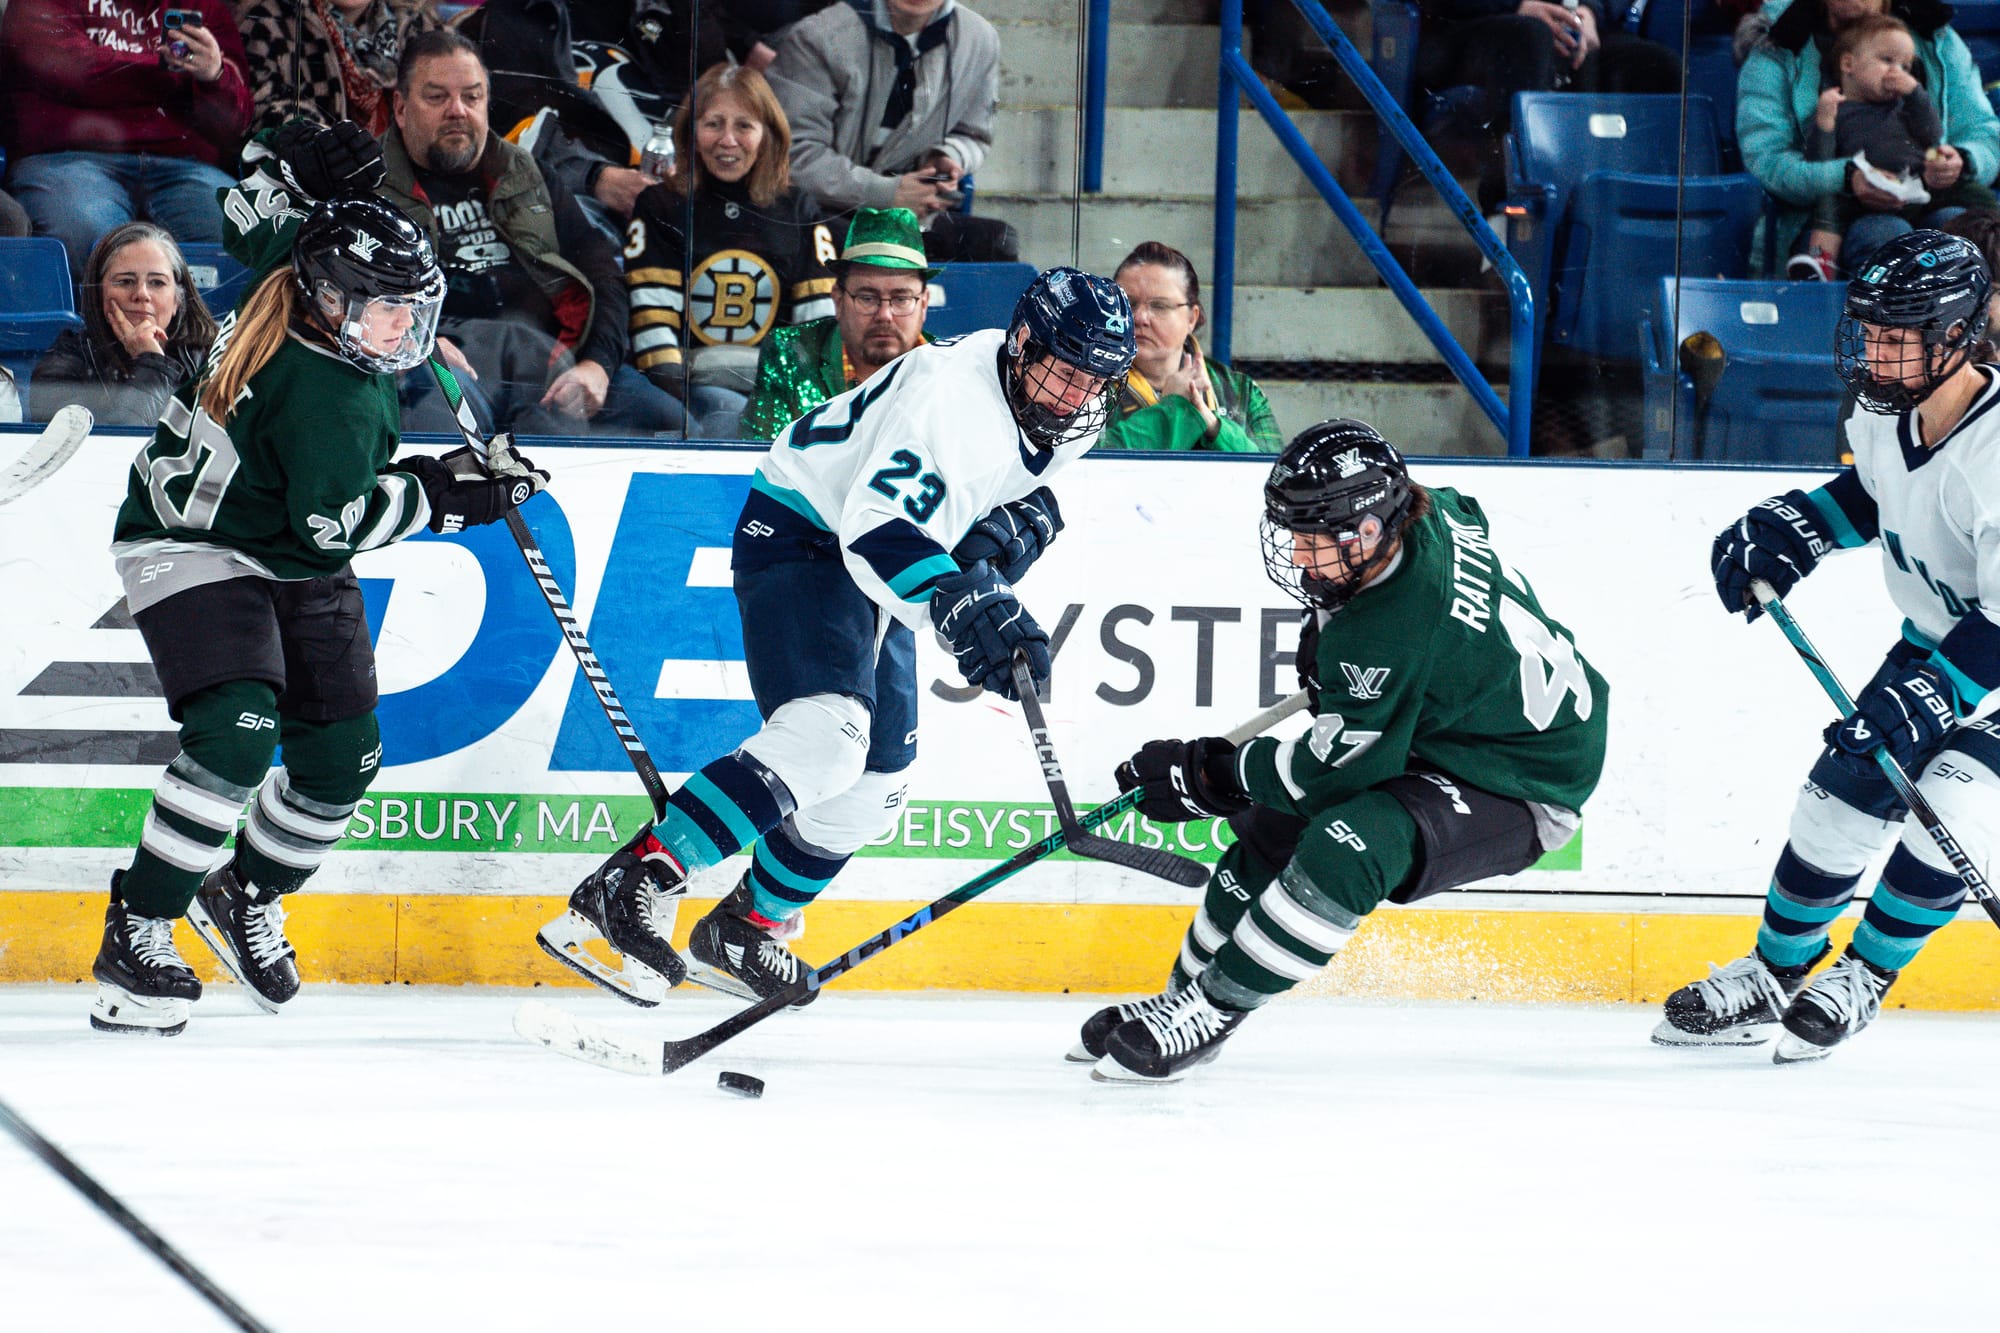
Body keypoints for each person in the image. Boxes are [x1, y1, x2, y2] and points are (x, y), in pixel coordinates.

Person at [535, 266, 1135, 1007]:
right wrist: (960, 597)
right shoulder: (953, 401)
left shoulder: (1069, 409)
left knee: (880, 782)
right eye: (1064, 372)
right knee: (827, 736)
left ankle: (746, 925)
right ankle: (633, 879)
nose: (1076, 396)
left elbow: (1004, 492)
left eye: (1095, 380)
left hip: (880, 551)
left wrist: (1000, 546)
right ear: (1021, 344)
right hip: (806, 530)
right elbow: (877, 531)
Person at [91, 122, 547, 1035]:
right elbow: (334, 521)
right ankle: (138, 927)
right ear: (333, 301)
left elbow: (242, 208)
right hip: (194, 541)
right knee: (237, 735)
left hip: (289, 545)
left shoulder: (298, 267)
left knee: (344, 758)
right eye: (387, 312)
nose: (405, 330)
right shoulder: (329, 393)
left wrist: (292, 171)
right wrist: (444, 496)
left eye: (412, 309)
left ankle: (245, 894)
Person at [1075, 419, 1609, 1082]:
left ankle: (1213, 1008)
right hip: (1451, 726)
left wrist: (1207, 774)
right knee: (1268, 828)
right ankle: (1179, 996)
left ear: (1368, 532)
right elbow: (1470, 515)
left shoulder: (1393, 632)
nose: (1299, 557)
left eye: (1313, 540)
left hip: (1526, 775)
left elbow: (1315, 776)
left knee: (1348, 840)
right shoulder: (1424, 507)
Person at [1656, 230, 1998, 1062]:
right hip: (1940, 642)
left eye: (1896, 334)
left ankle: (1865, 977)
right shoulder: (1885, 412)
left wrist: (1934, 695)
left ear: (1956, 335)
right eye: (1870, 330)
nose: (1874, 350)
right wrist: (1800, 527)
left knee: (1954, 798)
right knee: (1838, 795)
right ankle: (1775, 974)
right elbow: (1876, 492)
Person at [381, 30, 684, 438]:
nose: (458, 111)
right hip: (443, 367)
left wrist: (596, 365)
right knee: (447, 422)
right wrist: (419, 342)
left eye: (472, 97)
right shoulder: (371, 185)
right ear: (400, 108)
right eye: (437, 97)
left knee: (672, 424)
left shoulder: (527, 173)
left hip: (553, 364)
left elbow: (604, 277)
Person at [625, 62, 836, 438]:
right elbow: (652, 320)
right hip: (687, 394)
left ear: (767, 135)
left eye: (744, 125)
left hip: (777, 392)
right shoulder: (661, 205)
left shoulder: (798, 208)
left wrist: (792, 399)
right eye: (713, 124)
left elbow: (817, 324)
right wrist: (681, 403)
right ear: (690, 133)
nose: (727, 140)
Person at [1738, 0, 2000, 279]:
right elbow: (1768, 163)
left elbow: (1983, 132)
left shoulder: (1936, 39)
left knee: (1964, 233)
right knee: (1889, 235)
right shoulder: (1779, 47)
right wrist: (1848, 177)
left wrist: (1960, 160)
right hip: (1821, 216)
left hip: (1929, 195)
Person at [0, 0, 253, 279]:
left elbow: (233, 124)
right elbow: (70, 70)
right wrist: (166, 69)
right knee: (85, 231)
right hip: (66, 159)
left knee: (239, 228)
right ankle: (95, 323)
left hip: (182, 163)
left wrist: (214, 75)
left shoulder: (203, 5)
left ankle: (207, 324)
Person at [767, 0, 1018, 263]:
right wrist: (887, 194)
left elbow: (974, 135)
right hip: (826, 211)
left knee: (997, 242)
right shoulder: (817, 36)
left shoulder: (979, 38)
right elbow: (793, 156)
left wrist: (947, 155)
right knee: (859, 252)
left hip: (914, 215)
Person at [1415, 0, 1680, 214]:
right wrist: (1518, 6)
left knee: (1656, 65)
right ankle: (1509, 210)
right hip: (1475, 25)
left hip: (1566, 27)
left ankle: (1647, 213)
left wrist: (1589, 11)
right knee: (1529, 36)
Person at [739, 205, 936, 441]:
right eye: (867, 298)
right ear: (838, 300)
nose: (884, 314)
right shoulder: (790, 353)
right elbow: (762, 460)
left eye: (901, 299)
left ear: (924, 304)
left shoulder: (947, 370)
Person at [27, 222, 221, 428]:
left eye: (157, 282)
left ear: (177, 300)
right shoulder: (61, 367)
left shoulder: (217, 357)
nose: (142, 294)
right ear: (98, 293)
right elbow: (109, 452)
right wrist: (152, 364)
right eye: (125, 281)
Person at [1100, 241, 1284, 454]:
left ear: (1192, 318)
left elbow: (1273, 474)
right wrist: (1174, 409)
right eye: (1128, 304)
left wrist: (1213, 426)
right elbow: (1084, 468)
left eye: (1159, 306)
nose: (1139, 318)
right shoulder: (1087, 384)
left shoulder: (1241, 391)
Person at [234, 0, 443, 138]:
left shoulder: (414, 24)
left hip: (407, 181)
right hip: (312, 186)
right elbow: (264, 109)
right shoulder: (270, 20)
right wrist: (328, 144)